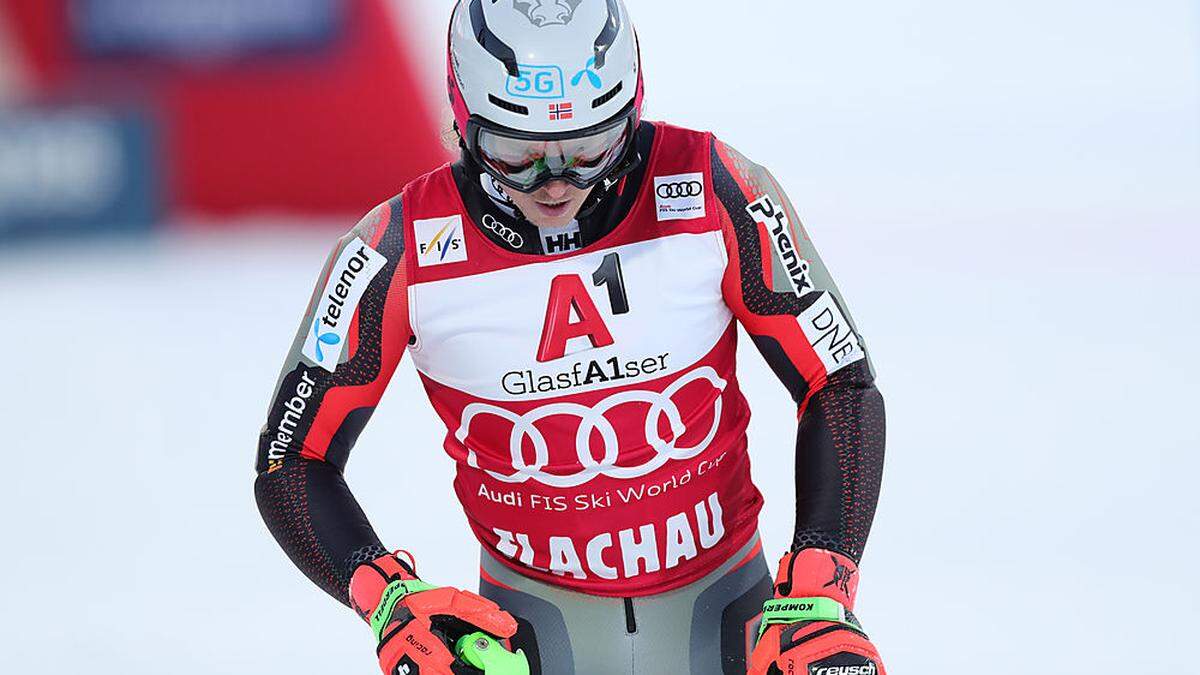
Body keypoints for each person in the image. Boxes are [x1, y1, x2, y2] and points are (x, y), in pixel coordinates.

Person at [254, 2, 887, 673]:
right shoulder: (396, 248)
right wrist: (388, 596)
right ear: (463, 117)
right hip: (529, 635)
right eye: (517, 153)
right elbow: (292, 458)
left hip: (734, 613)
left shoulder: (712, 186)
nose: (556, 181)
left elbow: (840, 382)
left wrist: (823, 582)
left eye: (590, 148)